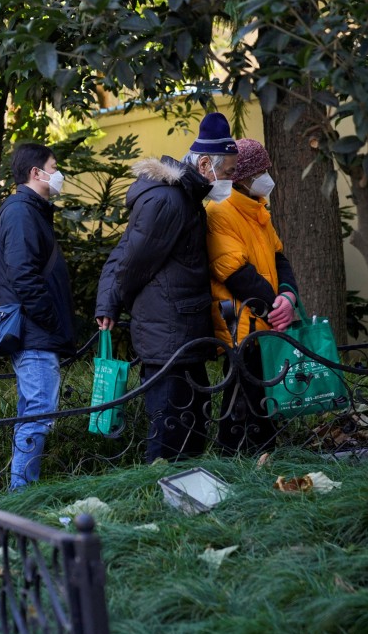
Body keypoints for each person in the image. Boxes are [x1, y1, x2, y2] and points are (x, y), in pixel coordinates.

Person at [95, 113, 238, 463]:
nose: (231, 179)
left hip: (181, 332)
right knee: (169, 429)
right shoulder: (168, 201)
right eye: (230, 171)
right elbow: (132, 261)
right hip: (168, 334)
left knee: (191, 422)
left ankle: (183, 496)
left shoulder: (184, 196)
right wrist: (110, 305)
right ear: (205, 163)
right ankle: (157, 498)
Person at [206, 138, 298, 453]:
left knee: (259, 402)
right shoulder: (220, 211)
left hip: (264, 321)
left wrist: (288, 296)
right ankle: (229, 466)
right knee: (239, 405)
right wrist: (277, 308)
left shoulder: (258, 210)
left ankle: (264, 461)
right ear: (244, 176)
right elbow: (233, 273)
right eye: (263, 171)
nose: (268, 177)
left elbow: (279, 259)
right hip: (240, 325)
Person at [0, 144, 75, 490]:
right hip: (35, 333)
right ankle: (21, 497)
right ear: (35, 173)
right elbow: (23, 276)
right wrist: (51, 321)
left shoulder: (29, 211)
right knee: (39, 415)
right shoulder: (21, 213)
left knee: (33, 414)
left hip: (36, 331)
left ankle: (21, 494)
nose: (58, 174)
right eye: (54, 167)